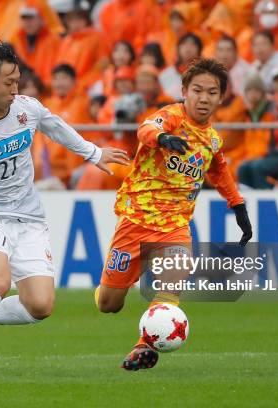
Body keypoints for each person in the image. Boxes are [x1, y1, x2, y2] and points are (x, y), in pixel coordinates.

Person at [0, 39, 129, 378]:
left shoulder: (27, 108)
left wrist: (94, 154)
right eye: (8, 82)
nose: (14, 88)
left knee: (40, 305)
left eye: (17, 80)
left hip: (29, 216)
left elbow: (56, 127)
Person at [94, 58, 252, 371]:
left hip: (175, 227)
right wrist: (163, 138)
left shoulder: (213, 139)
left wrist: (237, 205)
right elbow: (146, 128)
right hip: (136, 220)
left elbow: (219, 170)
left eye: (212, 92)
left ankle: (145, 346)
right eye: (197, 90)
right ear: (184, 91)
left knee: (174, 278)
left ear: (221, 97)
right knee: (108, 304)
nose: (204, 98)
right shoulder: (171, 116)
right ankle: (123, 279)